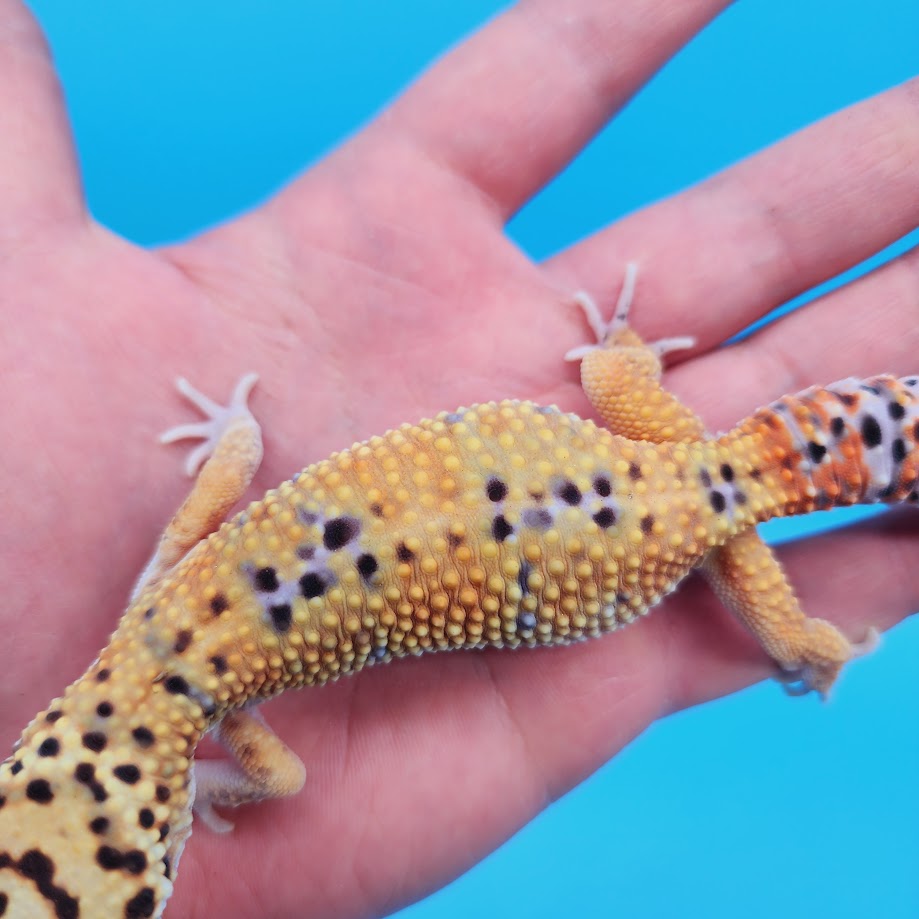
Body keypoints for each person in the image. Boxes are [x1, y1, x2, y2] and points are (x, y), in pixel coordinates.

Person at [1, 0, 915, 916]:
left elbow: (279, 778)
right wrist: (231, 424)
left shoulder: (212, 706)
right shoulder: (157, 597)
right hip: (627, 475)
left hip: (627, 545)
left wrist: (208, 790)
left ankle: (812, 645)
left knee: (775, 603)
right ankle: (770, 572)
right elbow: (232, 459)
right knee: (612, 371)